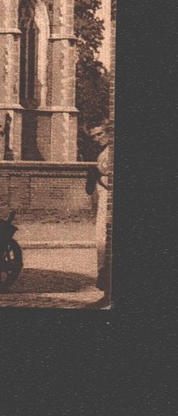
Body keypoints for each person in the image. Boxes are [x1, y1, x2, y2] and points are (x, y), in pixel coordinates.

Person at [86, 122, 113, 293]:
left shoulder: (111, 152)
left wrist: (97, 176)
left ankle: (106, 277)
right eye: (94, 136)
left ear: (109, 132)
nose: (97, 139)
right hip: (103, 202)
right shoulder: (104, 153)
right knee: (100, 239)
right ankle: (103, 277)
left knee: (104, 239)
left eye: (100, 134)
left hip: (109, 203)